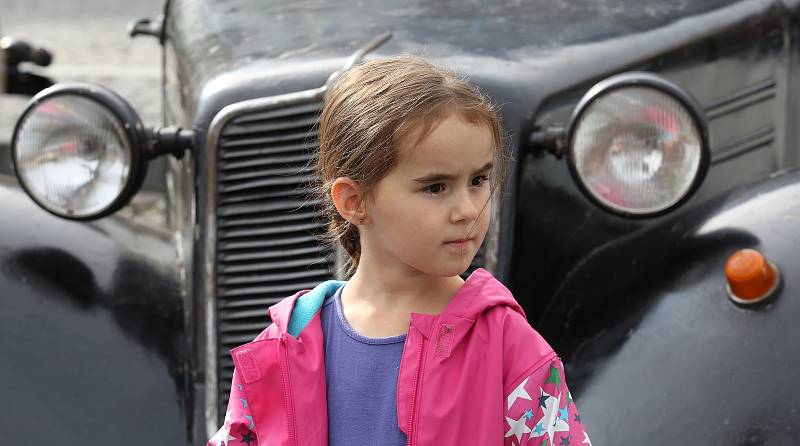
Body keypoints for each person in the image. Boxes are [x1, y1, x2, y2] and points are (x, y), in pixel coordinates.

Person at [207, 54, 591, 446]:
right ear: (354, 201)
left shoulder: (508, 345)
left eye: (478, 180)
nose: (468, 210)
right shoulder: (285, 344)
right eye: (436, 187)